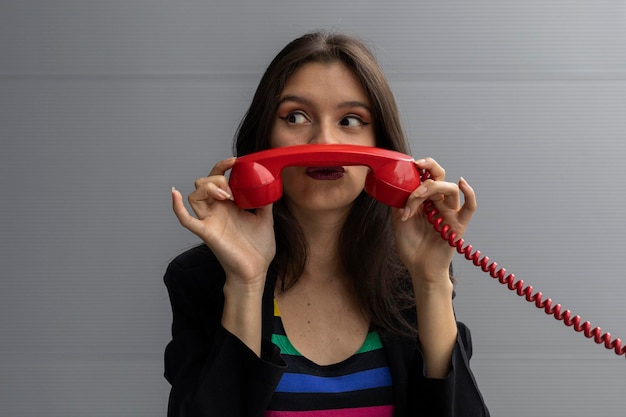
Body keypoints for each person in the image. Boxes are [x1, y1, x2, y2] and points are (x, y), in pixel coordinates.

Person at [164, 30, 490, 417]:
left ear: (382, 145)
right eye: (295, 117)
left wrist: (432, 282)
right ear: (264, 139)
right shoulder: (199, 278)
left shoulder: (412, 276)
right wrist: (246, 284)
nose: (323, 141)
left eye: (350, 120)